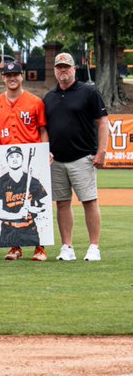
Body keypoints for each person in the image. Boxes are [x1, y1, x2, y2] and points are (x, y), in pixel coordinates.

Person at [43, 52, 108, 262]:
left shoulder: (89, 92)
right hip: (57, 160)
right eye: (59, 67)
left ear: (73, 69)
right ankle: (67, 246)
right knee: (62, 203)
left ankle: (94, 246)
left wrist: (101, 152)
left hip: (83, 157)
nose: (63, 71)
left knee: (89, 201)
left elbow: (102, 122)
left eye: (66, 67)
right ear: (55, 70)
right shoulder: (49, 97)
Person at [0, 60, 49, 261]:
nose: (12, 78)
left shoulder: (35, 102)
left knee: (35, 201)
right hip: (7, 159)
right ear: (3, 77)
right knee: (11, 202)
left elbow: (42, 130)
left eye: (15, 75)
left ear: (22, 76)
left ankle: (40, 247)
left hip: (32, 159)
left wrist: (46, 150)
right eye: (8, 75)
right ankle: (15, 247)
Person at [0, 145, 49, 256]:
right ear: (7, 160)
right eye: (11, 157)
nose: (15, 159)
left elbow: (45, 205)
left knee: (37, 236)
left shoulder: (33, 181)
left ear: (22, 159)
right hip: (8, 230)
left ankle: (39, 249)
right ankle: (15, 248)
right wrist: (18, 215)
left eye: (18, 156)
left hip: (29, 228)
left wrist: (32, 208)